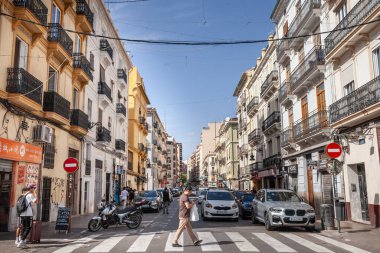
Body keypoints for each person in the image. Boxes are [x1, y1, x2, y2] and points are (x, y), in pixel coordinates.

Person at [17, 184, 37, 249]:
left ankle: (23, 242)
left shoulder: (24, 195)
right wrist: (35, 193)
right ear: (31, 188)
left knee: (24, 228)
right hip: (28, 214)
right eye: (34, 188)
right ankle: (21, 241)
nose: (34, 189)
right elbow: (36, 201)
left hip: (22, 214)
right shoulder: (30, 195)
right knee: (28, 228)